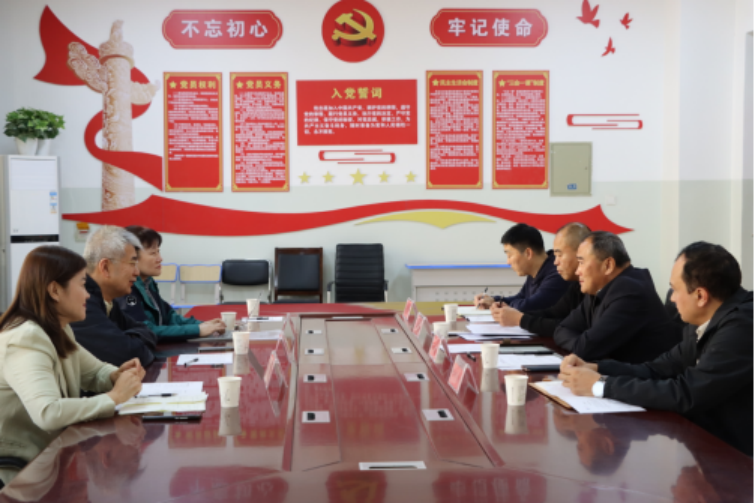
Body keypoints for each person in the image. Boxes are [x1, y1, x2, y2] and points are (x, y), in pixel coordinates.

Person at [559, 242, 754, 457]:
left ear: (700, 296)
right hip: (710, 443)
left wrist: (600, 386)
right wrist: (596, 368)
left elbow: (687, 394)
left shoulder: (743, 326)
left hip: (739, 457)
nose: (671, 298)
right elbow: (658, 369)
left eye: (675, 289)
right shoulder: (706, 319)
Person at [0, 246, 145, 489]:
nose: (88, 295)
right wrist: (115, 397)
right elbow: (48, 413)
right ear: (55, 290)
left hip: (50, 458)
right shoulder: (26, 338)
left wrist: (116, 375)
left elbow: (94, 372)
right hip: (22, 474)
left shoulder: (59, 329)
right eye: (82, 285)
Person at [553, 232, 682, 363]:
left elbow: (585, 349)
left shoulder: (631, 293)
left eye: (581, 262)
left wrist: (580, 343)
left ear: (608, 265)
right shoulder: (599, 288)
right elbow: (562, 329)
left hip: (649, 374)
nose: (577, 271)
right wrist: (579, 343)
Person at [117, 226, 226, 341]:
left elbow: (169, 317)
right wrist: (198, 330)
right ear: (133, 257)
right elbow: (146, 331)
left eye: (158, 251)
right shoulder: (126, 290)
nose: (160, 258)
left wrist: (204, 325)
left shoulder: (148, 283)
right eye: (153, 253)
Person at [71, 226, 157, 367]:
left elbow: (148, 331)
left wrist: (129, 338)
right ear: (105, 267)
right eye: (132, 263)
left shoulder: (107, 300)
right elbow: (131, 355)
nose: (137, 272)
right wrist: (131, 339)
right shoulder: (81, 305)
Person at [492, 222, 591, 337]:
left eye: (559, 255)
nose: (556, 262)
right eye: (555, 255)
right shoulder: (576, 287)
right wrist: (498, 303)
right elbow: (553, 313)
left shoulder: (558, 275)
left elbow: (571, 329)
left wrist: (519, 319)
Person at [475, 223, 570, 312]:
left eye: (509, 255)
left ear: (528, 253)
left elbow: (530, 305)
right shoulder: (536, 269)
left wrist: (499, 304)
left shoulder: (557, 272)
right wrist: (493, 300)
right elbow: (521, 297)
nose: (508, 262)